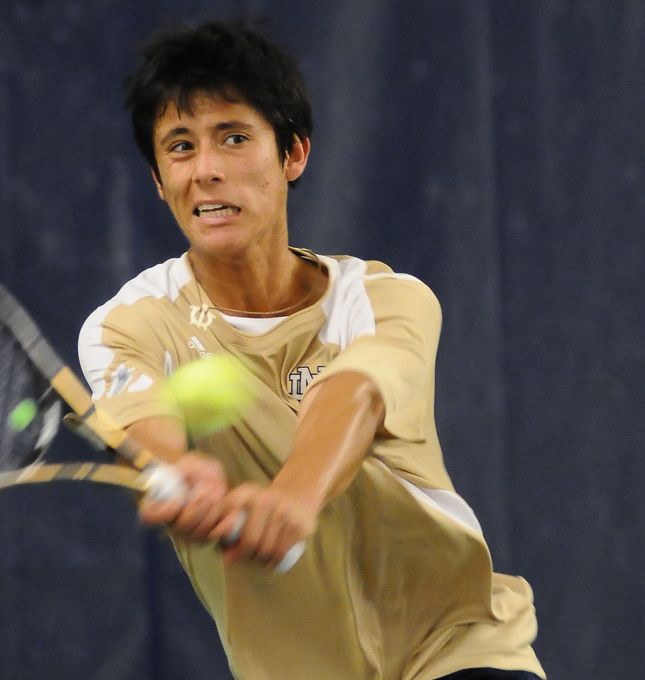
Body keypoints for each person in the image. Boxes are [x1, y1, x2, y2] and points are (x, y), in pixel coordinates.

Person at [78, 20, 545, 680]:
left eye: (233, 138)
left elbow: (353, 391)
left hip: (456, 647)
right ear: (158, 180)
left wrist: (293, 497)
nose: (206, 170)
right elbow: (146, 433)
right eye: (180, 148)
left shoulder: (386, 298)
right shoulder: (125, 325)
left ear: (293, 154)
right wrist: (181, 476)